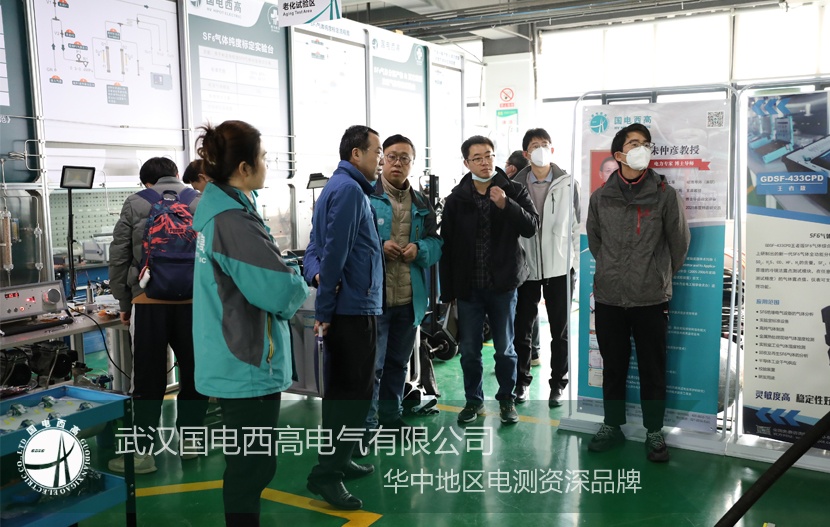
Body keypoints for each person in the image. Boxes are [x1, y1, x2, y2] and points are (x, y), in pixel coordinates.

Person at [190, 120, 309, 526]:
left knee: (249, 465)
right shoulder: (232, 221)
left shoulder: (227, 209)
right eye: (263, 157)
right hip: (246, 359)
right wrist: (297, 278)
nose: (266, 164)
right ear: (244, 167)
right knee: (251, 468)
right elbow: (277, 290)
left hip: (233, 353)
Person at [586, 123, 690, 462]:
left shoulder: (665, 195)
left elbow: (679, 244)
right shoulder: (600, 198)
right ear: (619, 155)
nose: (642, 148)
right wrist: (614, 271)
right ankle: (611, 425)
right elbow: (596, 243)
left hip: (650, 298)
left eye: (646, 143)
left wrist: (655, 275)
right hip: (609, 297)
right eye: (634, 143)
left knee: (652, 368)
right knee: (613, 366)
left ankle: (654, 431)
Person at [108, 157, 209, 475]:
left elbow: (119, 254)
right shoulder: (198, 200)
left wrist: (124, 301)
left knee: (147, 378)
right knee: (194, 373)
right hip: (194, 302)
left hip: (148, 299)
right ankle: (191, 444)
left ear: (146, 182)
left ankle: (143, 455)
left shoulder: (136, 202)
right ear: (177, 174)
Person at [302, 125, 385, 510]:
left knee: (344, 394)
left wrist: (318, 280)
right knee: (352, 397)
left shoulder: (335, 188)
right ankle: (327, 475)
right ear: (356, 154)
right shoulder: (350, 190)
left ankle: (342, 458)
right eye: (377, 151)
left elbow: (315, 250)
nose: (379, 159)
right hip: (353, 308)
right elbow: (333, 253)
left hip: (349, 305)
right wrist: (324, 310)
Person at [439, 135, 538, 425]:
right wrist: (448, 290)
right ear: (466, 163)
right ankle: (474, 401)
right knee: (469, 350)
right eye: (478, 158)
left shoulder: (514, 190)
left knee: (505, 349)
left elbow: (531, 227)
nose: (485, 162)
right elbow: (448, 246)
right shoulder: (457, 199)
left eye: (489, 156)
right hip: (469, 288)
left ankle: (506, 399)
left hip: (503, 286)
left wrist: (507, 204)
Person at [364, 134, 442, 437]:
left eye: (404, 158)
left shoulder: (421, 203)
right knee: (373, 367)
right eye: (392, 156)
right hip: (376, 299)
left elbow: (437, 243)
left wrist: (419, 250)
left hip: (409, 298)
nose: (398, 163)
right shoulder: (367, 196)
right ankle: (368, 427)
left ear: (412, 162)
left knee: (398, 363)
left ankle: (391, 418)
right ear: (382, 159)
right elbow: (354, 241)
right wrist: (379, 246)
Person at [511, 128, 580, 408]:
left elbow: (577, 226)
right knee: (522, 330)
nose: (540, 149)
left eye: (545, 144)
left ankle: (558, 384)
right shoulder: (514, 185)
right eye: (534, 146)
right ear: (526, 153)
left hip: (559, 268)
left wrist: (575, 263)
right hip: (525, 268)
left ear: (552, 149)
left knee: (560, 331)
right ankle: (521, 382)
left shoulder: (568, 184)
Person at [505, 150, 541, 365]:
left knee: (525, 311)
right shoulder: (509, 187)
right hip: (524, 263)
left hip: (526, 263)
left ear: (511, 167)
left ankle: (531, 353)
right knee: (528, 312)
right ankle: (532, 353)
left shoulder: (513, 190)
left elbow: (530, 226)